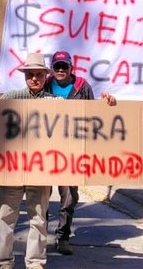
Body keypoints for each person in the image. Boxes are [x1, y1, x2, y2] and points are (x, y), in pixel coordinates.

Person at [0, 51, 56, 269]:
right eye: (30, 74)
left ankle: (35, 264)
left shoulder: (56, 103)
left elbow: (82, 118)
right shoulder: (12, 97)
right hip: (13, 168)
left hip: (41, 169)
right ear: (25, 76)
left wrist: (109, 104)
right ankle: (4, 264)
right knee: (6, 217)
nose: (35, 78)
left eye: (39, 74)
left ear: (45, 76)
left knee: (38, 218)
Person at [43, 49, 117, 256]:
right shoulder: (44, 84)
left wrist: (109, 105)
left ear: (71, 68)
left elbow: (94, 117)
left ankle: (63, 237)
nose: (60, 70)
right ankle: (40, 236)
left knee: (68, 197)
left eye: (63, 66)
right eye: (56, 66)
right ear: (51, 68)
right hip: (45, 150)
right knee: (42, 196)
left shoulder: (83, 87)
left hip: (71, 152)